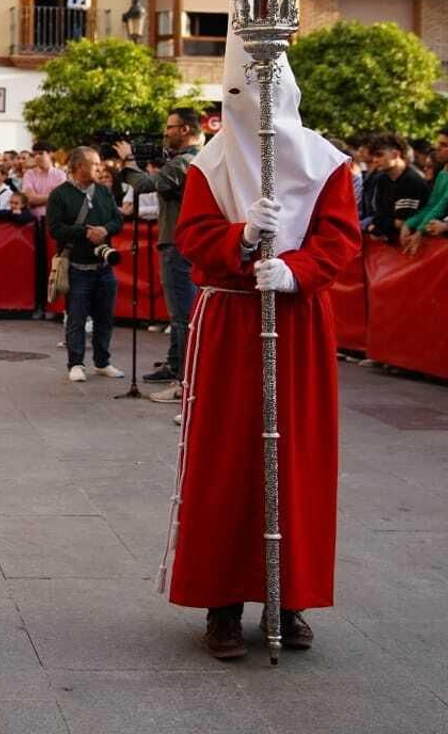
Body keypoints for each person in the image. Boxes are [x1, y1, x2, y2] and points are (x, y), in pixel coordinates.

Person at [160, 37, 360, 661]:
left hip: (296, 323)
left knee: (295, 457)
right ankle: (222, 602)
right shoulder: (209, 164)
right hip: (231, 322)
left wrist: (297, 270)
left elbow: (341, 237)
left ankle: (289, 596)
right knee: (226, 460)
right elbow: (192, 235)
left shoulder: (325, 161)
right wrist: (241, 240)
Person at [116, 108, 204, 395]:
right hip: (184, 241)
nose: (165, 132)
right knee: (181, 311)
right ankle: (175, 363)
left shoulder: (185, 163)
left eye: (170, 127)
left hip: (178, 243)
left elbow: (145, 185)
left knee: (181, 313)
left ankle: (182, 377)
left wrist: (128, 159)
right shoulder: (195, 159)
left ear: (185, 130)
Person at [46, 146, 125, 383]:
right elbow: (55, 229)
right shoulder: (60, 194)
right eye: (94, 164)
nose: (100, 168)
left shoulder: (103, 191)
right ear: (79, 166)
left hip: (104, 267)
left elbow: (117, 220)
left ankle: (102, 362)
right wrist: (84, 233)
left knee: (105, 318)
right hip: (77, 267)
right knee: (77, 318)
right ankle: (76, 363)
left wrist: (105, 230)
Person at [367, 135, 430, 243]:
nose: (375, 160)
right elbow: (379, 214)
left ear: (396, 154)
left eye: (379, 155)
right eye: (374, 156)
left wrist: (378, 226)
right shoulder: (382, 179)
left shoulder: (411, 181)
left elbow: (401, 222)